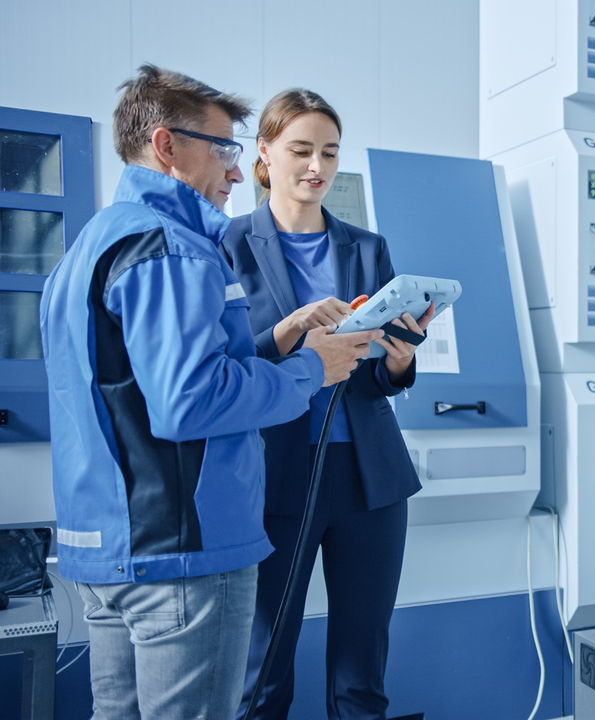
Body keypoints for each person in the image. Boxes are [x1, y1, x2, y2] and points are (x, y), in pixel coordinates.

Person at [39, 65, 381, 719]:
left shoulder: (90, 245)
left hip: (105, 549)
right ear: (166, 145)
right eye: (223, 148)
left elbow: (134, 388)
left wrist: (278, 338)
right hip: (183, 551)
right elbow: (190, 401)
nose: (233, 169)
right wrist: (311, 369)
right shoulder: (175, 249)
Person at [221, 89, 429, 720]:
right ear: (264, 151)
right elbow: (225, 364)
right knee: (263, 671)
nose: (317, 166)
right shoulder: (227, 244)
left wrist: (400, 360)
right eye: (301, 150)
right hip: (274, 475)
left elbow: (377, 378)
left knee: (362, 671)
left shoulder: (366, 248)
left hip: (369, 478)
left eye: (330, 153)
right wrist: (292, 327)